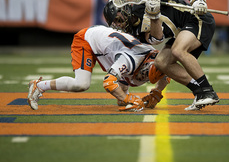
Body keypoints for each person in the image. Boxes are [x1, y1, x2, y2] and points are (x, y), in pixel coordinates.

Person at [103, 0, 219, 111]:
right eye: (114, 23)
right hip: (182, 31)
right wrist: (154, 16)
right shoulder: (134, 32)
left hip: (197, 19)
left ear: (124, 10)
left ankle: (208, 91)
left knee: (178, 50)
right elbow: (157, 38)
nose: (118, 25)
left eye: (118, 20)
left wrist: (196, 0)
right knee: (161, 62)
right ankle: (200, 93)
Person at [27, 25, 169, 112]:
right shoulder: (131, 59)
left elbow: (166, 74)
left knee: (122, 94)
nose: (143, 77)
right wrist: (127, 98)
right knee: (81, 84)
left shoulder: (157, 60)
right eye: (144, 73)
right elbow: (108, 82)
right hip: (87, 40)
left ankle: (124, 94)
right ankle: (39, 86)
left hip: (108, 45)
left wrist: (156, 92)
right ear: (145, 63)